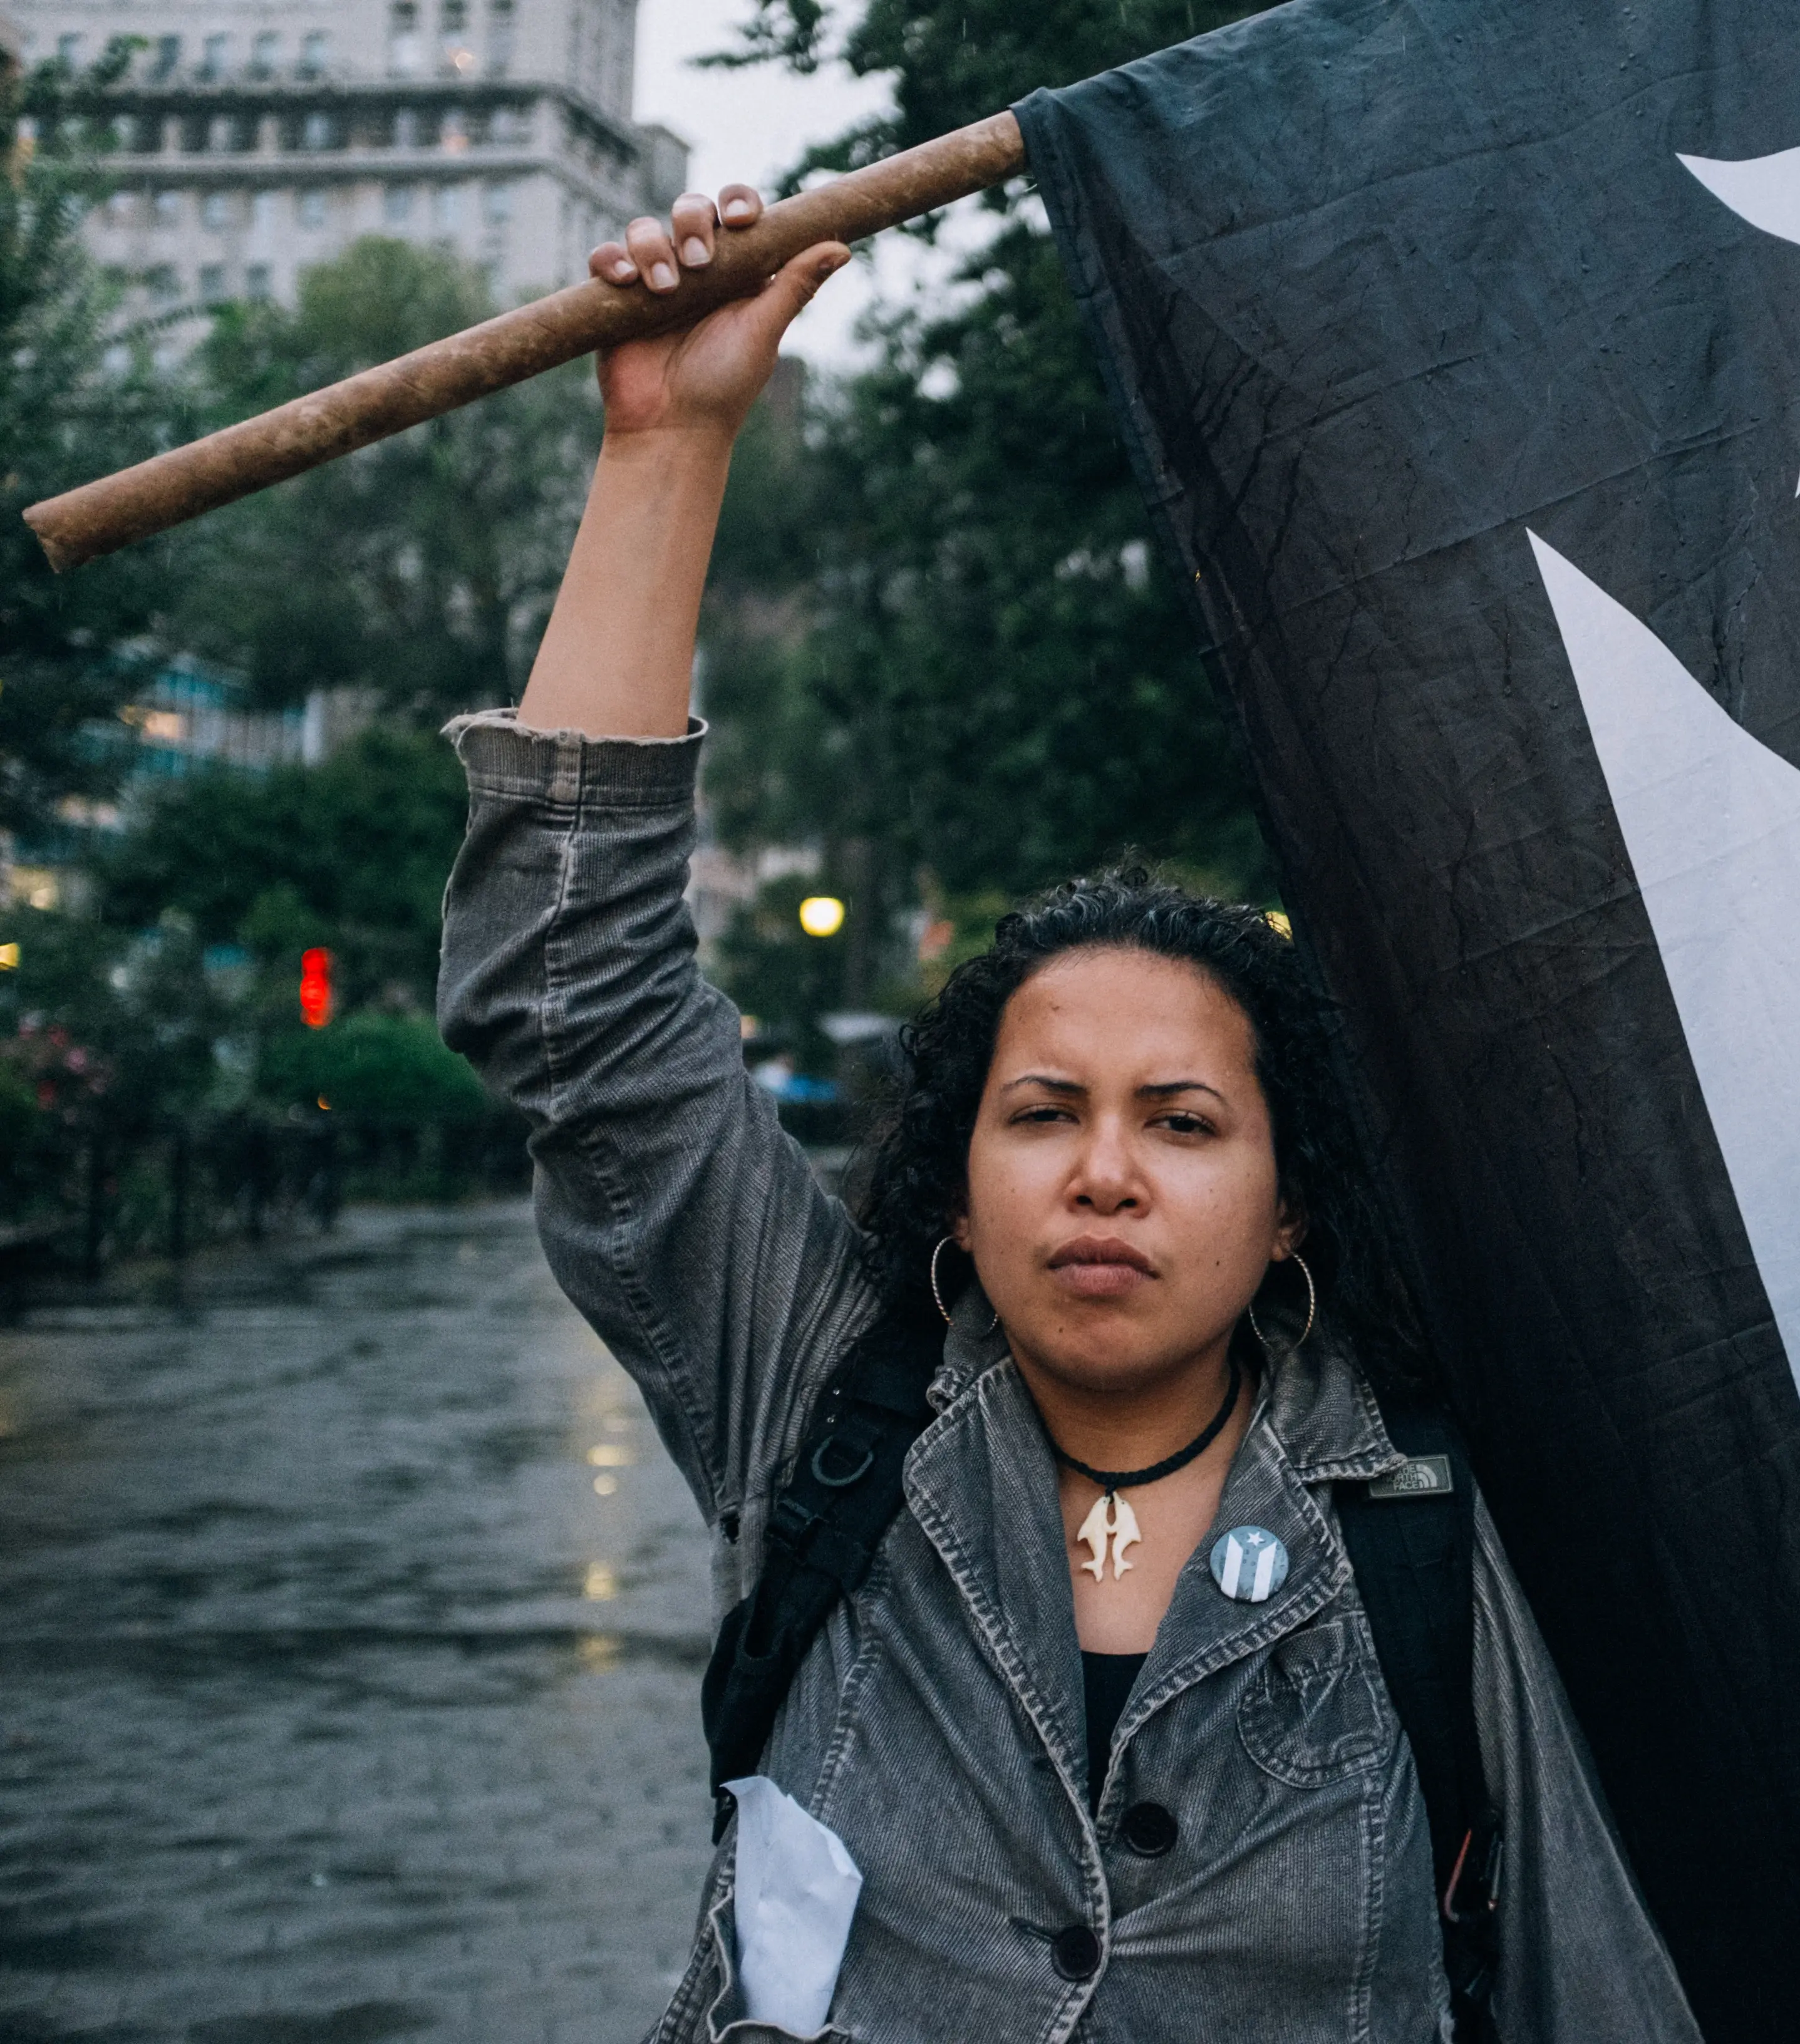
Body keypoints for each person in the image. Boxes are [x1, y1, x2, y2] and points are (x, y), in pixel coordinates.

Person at [436, 188, 1702, 2043]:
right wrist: (666, 441)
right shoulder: (823, 1411)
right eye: (1044, 1113)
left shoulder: (1447, 1522)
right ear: (960, 1169)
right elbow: (583, 1010)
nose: (1105, 1172)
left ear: (1290, 1207)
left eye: (1184, 1124)